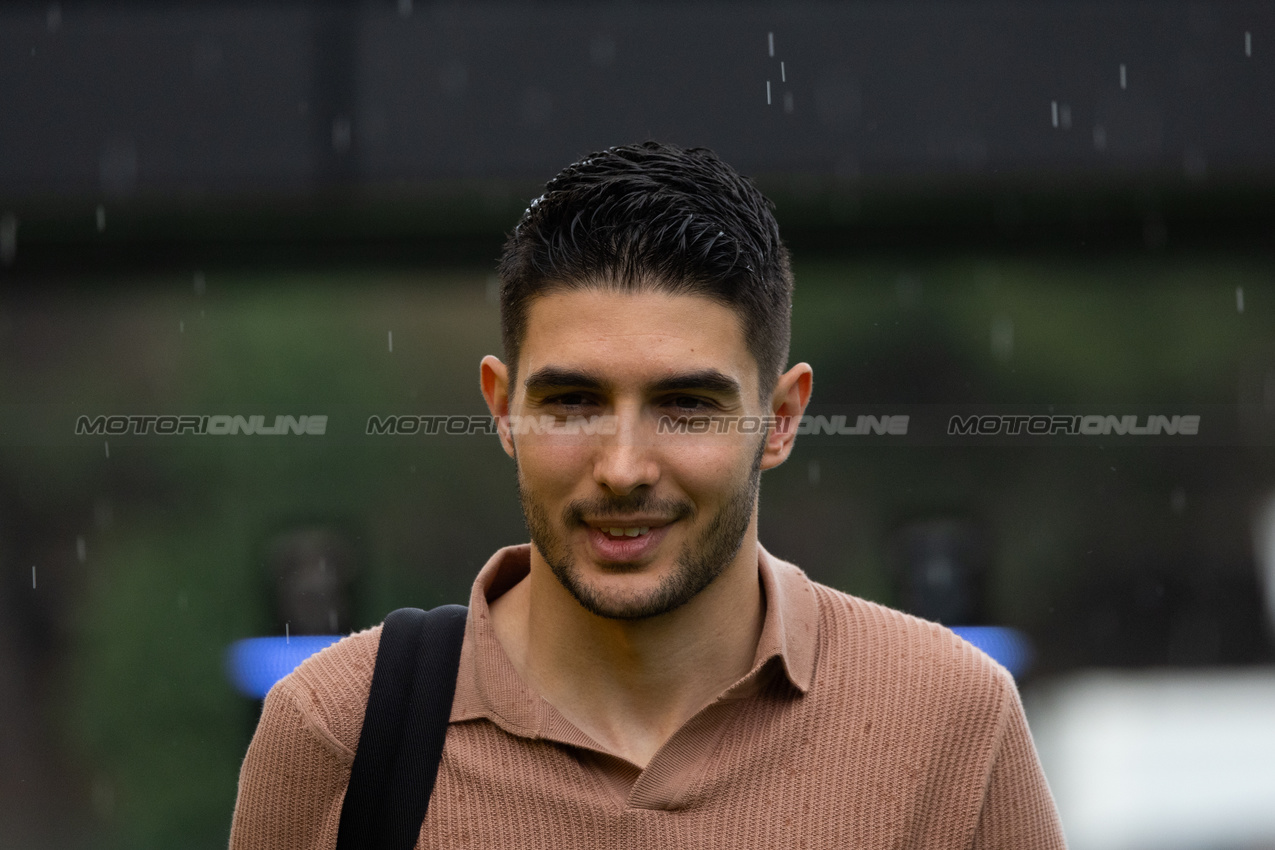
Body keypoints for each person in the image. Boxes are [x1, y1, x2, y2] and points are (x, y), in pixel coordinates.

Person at [229, 142, 1067, 848]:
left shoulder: (949, 716)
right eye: (573, 402)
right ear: (502, 409)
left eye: (685, 407)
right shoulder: (336, 728)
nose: (623, 466)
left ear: (779, 420)